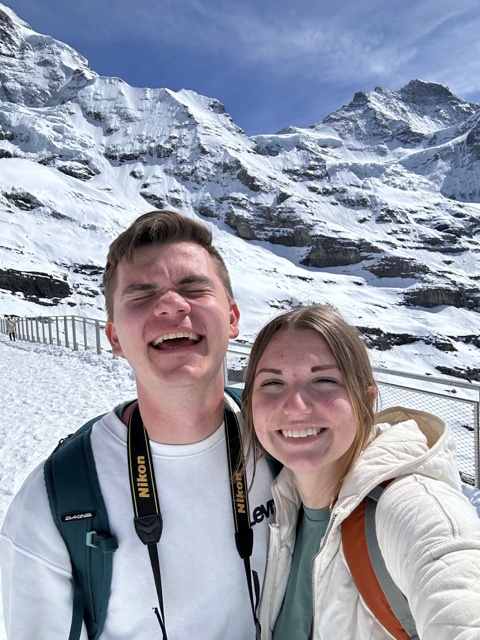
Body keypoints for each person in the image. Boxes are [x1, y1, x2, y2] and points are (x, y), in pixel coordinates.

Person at [0, 210, 276, 640]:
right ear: (114, 338)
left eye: (194, 288)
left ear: (233, 318)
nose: (170, 304)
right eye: (141, 295)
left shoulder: (286, 440)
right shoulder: (53, 502)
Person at [242, 304, 480, 640]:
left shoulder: (411, 508)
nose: (296, 406)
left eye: (324, 380)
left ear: (365, 400)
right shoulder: (280, 503)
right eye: (272, 382)